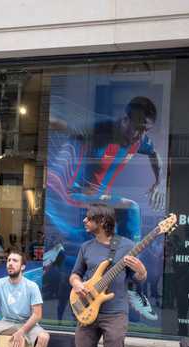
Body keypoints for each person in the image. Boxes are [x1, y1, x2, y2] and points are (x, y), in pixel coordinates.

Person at [51, 96, 163, 320]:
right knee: (130, 208)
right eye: (138, 128)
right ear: (125, 120)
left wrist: (157, 182)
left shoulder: (140, 141)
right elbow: (67, 127)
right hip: (78, 194)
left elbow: (154, 154)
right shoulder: (103, 130)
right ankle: (130, 286)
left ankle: (121, 278)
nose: (141, 135)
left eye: (145, 130)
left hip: (101, 201)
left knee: (92, 254)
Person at [67, 203, 147, 347]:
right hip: (87, 311)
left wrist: (141, 270)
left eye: (88, 217)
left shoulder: (127, 247)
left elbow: (140, 277)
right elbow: (74, 274)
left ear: (102, 221)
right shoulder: (86, 247)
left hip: (114, 313)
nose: (84, 221)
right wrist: (78, 284)